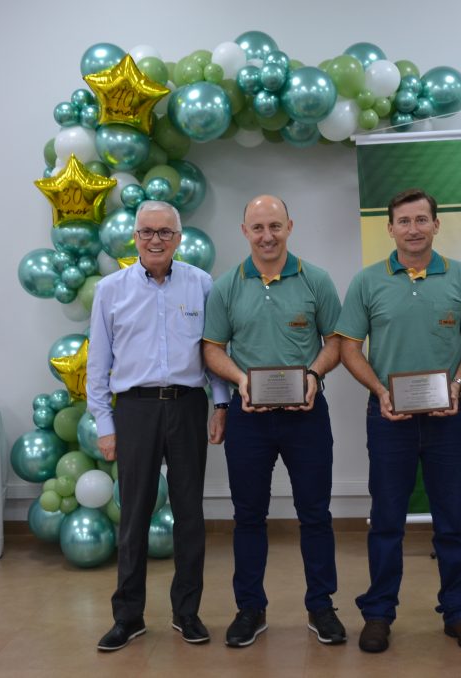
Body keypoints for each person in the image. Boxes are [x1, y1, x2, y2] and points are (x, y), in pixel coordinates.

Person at [335, 188, 461, 654]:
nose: (413, 229)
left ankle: (460, 612)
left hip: (448, 419)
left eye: (422, 220)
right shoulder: (367, 282)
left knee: (452, 521)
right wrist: (380, 391)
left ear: (436, 225)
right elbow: (348, 348)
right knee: (386, 521)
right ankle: (379, 613)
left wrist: (458, 385)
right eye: (404, 221)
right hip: (388, 418)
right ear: (390, 228)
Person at [202, 195, 346, 648]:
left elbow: (337, 341)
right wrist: (240, 381)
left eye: (275, 227)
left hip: (306, 415)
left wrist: (314, 374)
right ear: (244, 231)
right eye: (258, 227)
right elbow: (212, 350)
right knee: (248, 516)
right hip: (248, 418)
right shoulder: (226, 287)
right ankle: (250, 608)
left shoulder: (316, 280)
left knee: (316, 515)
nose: (267, 236)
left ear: (290, 227)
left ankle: (321, 606)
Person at [87, 200, 230, 651]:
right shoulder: (111, 290)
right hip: (135, 410)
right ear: (134, 237)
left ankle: (186, 613)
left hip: (187, 406)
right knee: (133, 517)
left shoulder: (202, 284)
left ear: (179, 238)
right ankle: (128, 616)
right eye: (147, 231)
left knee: (190, 514)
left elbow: (212, 352)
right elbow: (98, 365)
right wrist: (104, 425)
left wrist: (220, 404)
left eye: (165, 233)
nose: (155, 240)